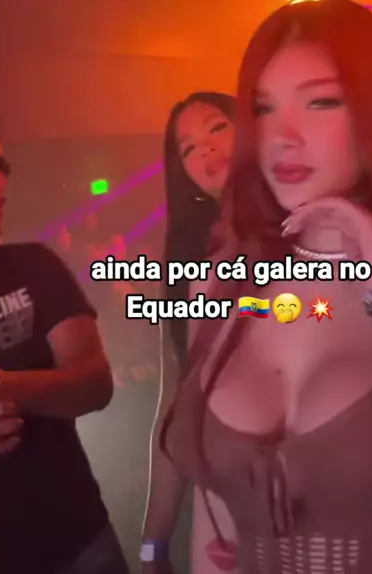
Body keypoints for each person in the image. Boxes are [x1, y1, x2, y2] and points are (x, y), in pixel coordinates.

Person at [158, 0, 372, 574]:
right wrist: (154, 547)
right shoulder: (226, 291)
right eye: (263, 109)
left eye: (321, 101)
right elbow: (216, 519)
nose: (282, 136)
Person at [0, 117, 130, 574]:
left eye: (0, 166)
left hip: (79, 539)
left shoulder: (34, 265)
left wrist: (8, 386)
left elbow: (95, 384)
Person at [141, 92, 235, 571]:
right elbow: (172, 407)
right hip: (223, 510)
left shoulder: (317, 238)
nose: (206, 150)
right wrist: (153, 544)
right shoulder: (188, 270)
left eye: (217, 128)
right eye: (188, 148)